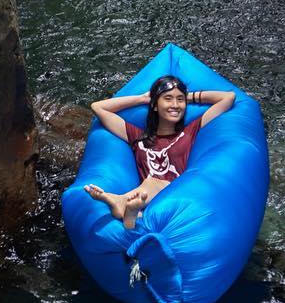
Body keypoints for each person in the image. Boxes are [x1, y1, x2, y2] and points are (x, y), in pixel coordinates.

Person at [84, 74, 235, 228]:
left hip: (175, 197)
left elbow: (228, 97)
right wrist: (143, 99)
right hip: (144, 200)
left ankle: (123, 202)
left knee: (153, 182)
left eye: (179, 100)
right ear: (155, 105)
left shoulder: (189, 132)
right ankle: (131, 215)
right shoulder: (138, 137)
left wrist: (187, 97)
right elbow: (98, 107)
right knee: (144, 197)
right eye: (168, 98)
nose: (175, 105)